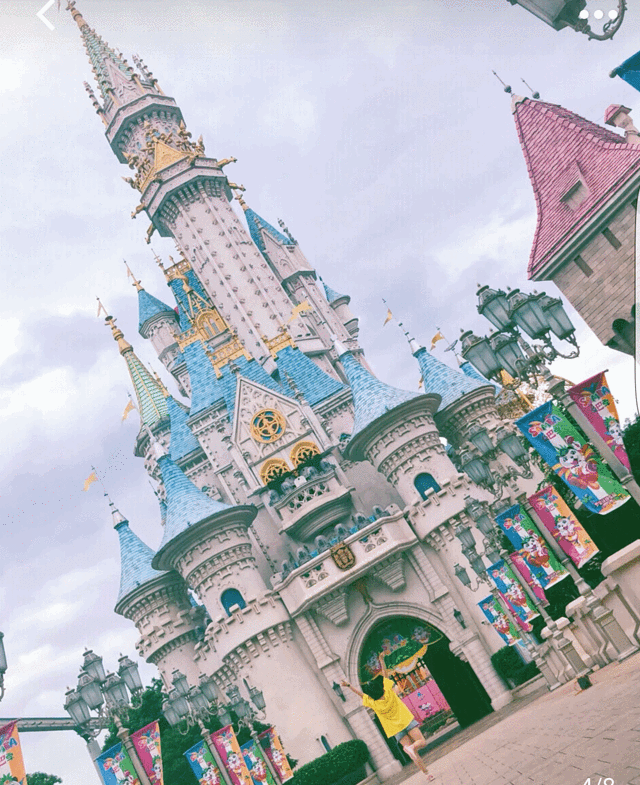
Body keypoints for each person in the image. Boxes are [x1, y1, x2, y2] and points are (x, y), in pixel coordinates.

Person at [341, 653, 434, 780]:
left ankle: (427, 774)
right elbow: (385, 674)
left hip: (395, 730)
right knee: (422, 742)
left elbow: (361, 694)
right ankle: (412, 748)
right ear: (380, 687)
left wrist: (349, 686)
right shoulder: (388, 691)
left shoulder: (373, 703)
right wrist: (381, 660)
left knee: (413, 754)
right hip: (406, 720)